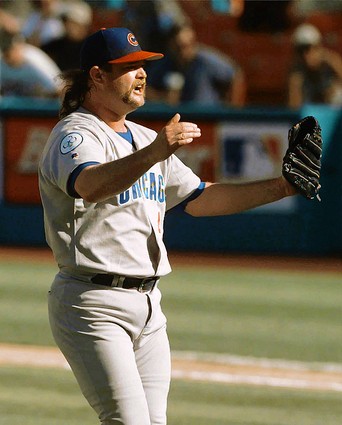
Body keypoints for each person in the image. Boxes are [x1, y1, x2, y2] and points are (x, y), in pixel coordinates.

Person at [38, 27, 300, 425]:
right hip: (92, 303)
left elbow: (200, 198)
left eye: (143, 64)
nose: (142, 72)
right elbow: (91, 185)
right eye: (128, 66)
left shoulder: (143, 137)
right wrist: (158, 150)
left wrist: (282, 187)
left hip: (148, 304)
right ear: (97, 76)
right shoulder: (74, 134)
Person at [146, 23, 246, 107]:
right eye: (178, 47)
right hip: (175, 119)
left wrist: (232, 109)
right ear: (171, 45)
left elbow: (234, 74)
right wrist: (162, 98)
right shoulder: (165, 62)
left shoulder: (206, 60)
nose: (183, 51)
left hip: (206, 120)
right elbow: (146, 88)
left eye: (187, 45)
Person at [288, 23, 342, 108]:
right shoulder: (297, 73)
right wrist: (295, 86)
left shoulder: (331, 64)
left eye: (310, 48)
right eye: (301, 51)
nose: (306, 55)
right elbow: (294, 108)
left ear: (319, 47)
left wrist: (332, 60)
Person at [0, 30, 61, 98]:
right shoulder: (1, 62)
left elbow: (59, 88)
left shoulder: (35, 60)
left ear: (21, 46)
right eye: (7, 50)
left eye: (13, 49)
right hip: (12, 105)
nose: (10, 53)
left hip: (40, 104)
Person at [42, 1, 93, 71]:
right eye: (64, 21)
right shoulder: (56, 45)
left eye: (72, 22)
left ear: (83, 25)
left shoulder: (93, 47)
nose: (67, 25)